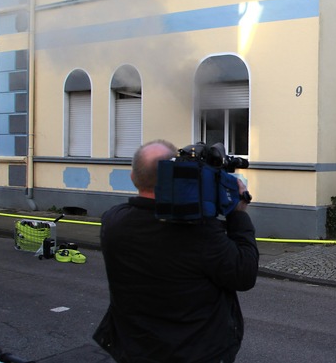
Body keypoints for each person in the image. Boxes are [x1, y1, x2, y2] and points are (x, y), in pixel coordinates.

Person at [93, 139, 259, 363]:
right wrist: (237, 212)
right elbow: (244, 273)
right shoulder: (199, 233)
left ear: (133, 179)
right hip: (195, 353)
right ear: (176, 176)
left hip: (133, 349)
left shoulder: (113, 221)